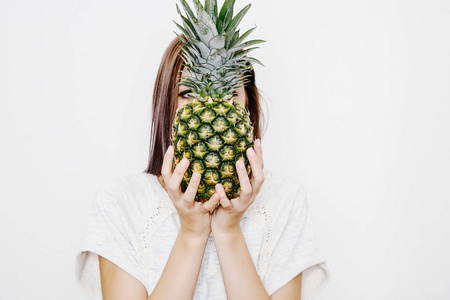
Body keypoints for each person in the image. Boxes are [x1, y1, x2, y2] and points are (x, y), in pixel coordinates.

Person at [75, 36, 330, 300]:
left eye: (229, 93)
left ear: (247, 112)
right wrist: (192, 232)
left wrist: (228, 230)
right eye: (188, 93)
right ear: (167, 105)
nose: (209, 107)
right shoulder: (119, 202)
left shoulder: (285, 200)